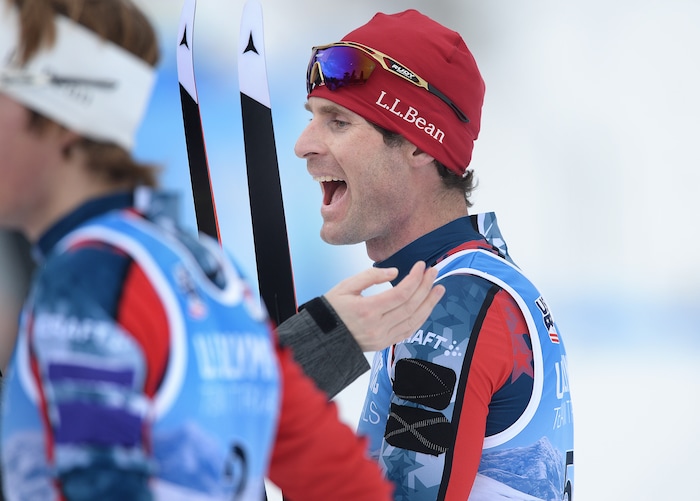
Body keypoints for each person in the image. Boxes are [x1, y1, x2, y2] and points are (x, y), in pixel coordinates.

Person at [0, 1, 420, 499]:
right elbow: (334, 472)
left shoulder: (88, 280)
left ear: (64, 119)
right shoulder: (199, 263)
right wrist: (326, 334)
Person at [292, 9, 575, 500]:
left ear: (419, 146)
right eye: (312, 119)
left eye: (338, 122)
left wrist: (283, 425)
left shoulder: (450, 301)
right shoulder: (453, 281)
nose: (303, 145)